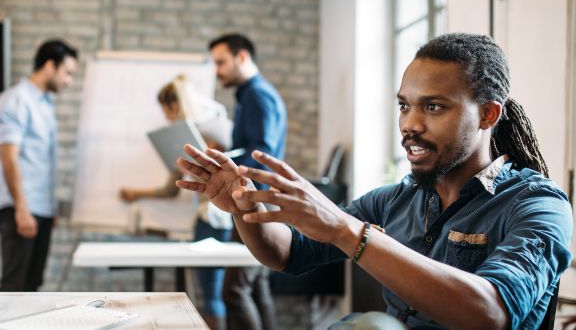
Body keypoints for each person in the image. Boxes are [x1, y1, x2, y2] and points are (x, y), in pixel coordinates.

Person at [176, 33, 573, 329]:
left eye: (433, 107)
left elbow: (490, 311)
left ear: (487, 115)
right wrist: (246, 208)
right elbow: (290, 254)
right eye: (404, 106)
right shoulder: (397, 198)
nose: (410, 125)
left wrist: (350, 233)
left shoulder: (537, 205)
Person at [119, 74, 233, 330]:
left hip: (215, 218)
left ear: (175, 105)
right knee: (208, 293)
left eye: (166, 110)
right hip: (205, 218)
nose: (166, 117)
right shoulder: (184, 139)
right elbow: (170, 190)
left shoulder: (215, 130)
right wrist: (136, 194)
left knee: (212, 293)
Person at [0, 39, 78, 292]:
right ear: (50, 66)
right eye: (67, 73)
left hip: (40, 206)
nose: (69, 81)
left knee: (32, 285)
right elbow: (8, 157)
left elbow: (39, 161)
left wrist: (50, 207)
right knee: (15, 284)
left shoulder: (44, 104)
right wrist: (22, 209)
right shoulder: (15, 100)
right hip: (18, 206)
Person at [208, 33, 286, 330]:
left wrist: (226, 171)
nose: (217, 71)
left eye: (221, 62)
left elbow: (261, 153)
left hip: (255, 205)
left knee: (234, 290)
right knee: (254, 288)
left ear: (242, 57)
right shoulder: (250, 95)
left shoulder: (256, 95)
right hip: (258, 203)